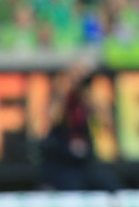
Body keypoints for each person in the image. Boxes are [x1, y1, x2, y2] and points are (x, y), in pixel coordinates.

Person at [37, 62, 121, 192]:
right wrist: (65, 86)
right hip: (61, 162)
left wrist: (87, 93)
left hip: (84, 163)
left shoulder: (85, 99)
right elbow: (50, 120)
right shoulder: (59, 97)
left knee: (111, 186)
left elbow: (107, 123)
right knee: (73, 188)